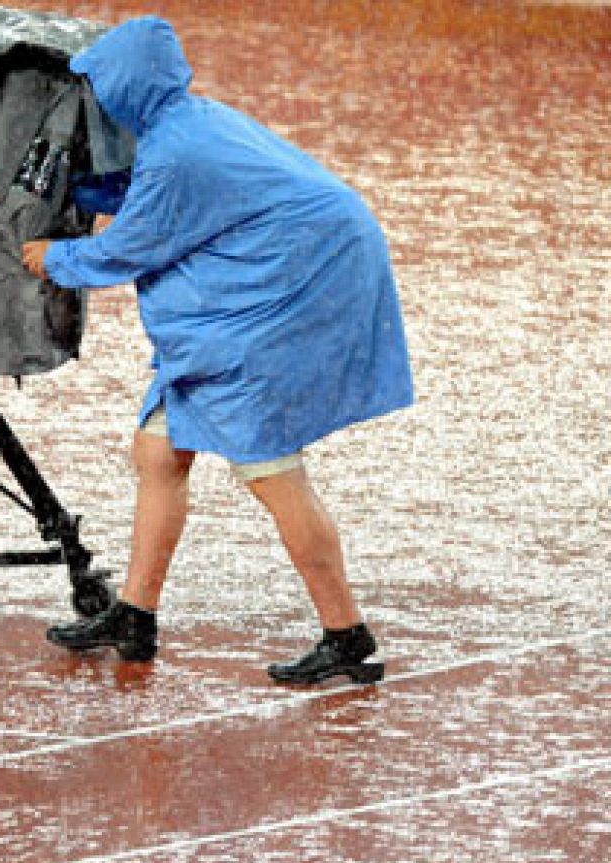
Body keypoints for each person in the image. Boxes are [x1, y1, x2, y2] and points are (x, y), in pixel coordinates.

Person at [21, 16, 414, 685]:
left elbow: (127, 247)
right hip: (289, 271)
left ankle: (347, 634)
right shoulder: (185, 123)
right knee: (159, 450)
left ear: (127, 86)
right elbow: (167, 202)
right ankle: (134, 616)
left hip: (285, 294)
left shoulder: (176, 153)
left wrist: (55, 256)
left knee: (271, 471)